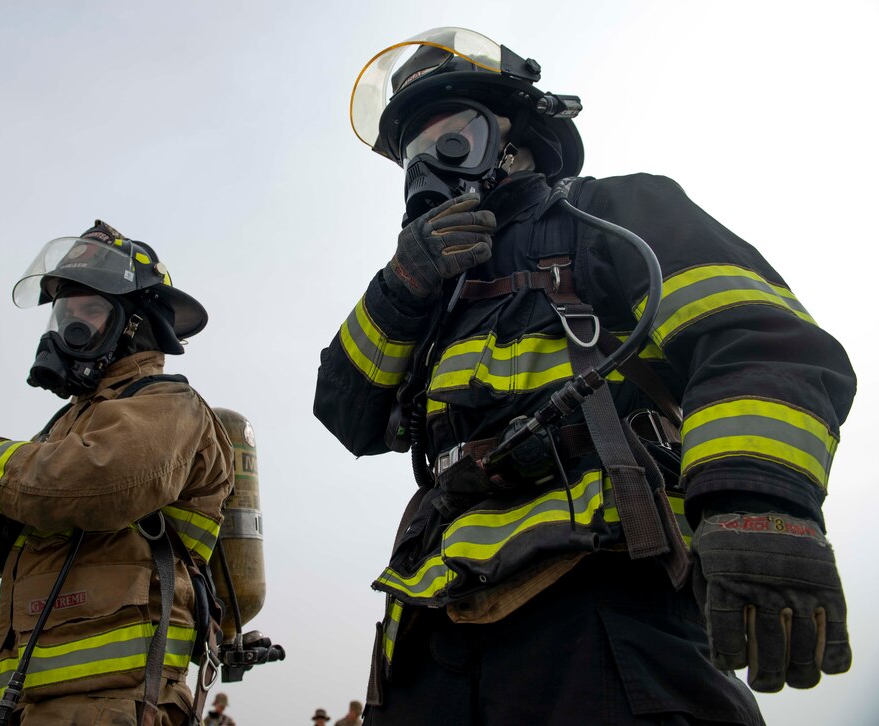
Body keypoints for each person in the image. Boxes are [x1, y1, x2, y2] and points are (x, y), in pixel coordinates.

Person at [314, 27, 855, 725]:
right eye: (414, 153)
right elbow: (347, 412)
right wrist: (400, 288)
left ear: (518, 136)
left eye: (452, 136)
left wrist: (756, 499)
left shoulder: (609, 215)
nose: (429, 166)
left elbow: (753, 337)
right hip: (432, 637)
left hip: (604, 602)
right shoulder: (428, 294)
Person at [0, 220, 234, 725]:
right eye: (65, 313)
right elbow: (8, 546)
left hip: (118, 707)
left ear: (135, 323)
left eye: (91, 311)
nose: (69, 327)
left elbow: (87, 486)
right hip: (18, 707)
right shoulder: (64, 430)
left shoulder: (169, 405)